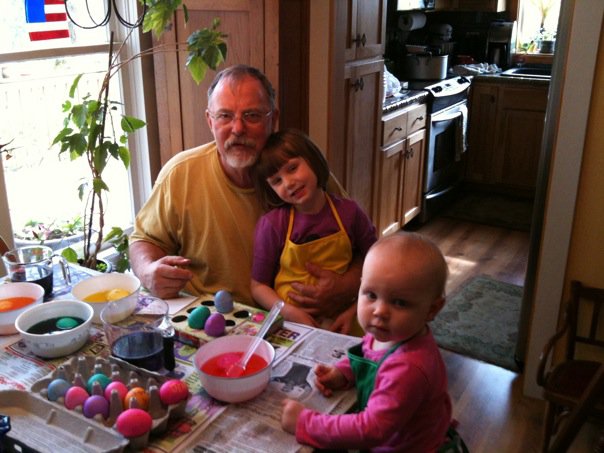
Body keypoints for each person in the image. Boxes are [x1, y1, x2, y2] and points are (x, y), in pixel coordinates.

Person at [129, 65, 361, 319]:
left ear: (273, 119)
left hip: (297, 323)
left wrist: (345, 286)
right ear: (210, 121)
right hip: (213, 321)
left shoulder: (306, 176)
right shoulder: (180, 174)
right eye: (225, 116)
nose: (238, 128)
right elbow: (145, 240)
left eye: (252, 115)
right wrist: (148, 271)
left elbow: (364, 247)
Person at [280, 232, 460, 452]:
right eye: (371, 295)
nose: (379, 311)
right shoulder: (390, 333)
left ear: (432, 309)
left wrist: (305, 423)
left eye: (399, 302)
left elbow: (371, 429)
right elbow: (368, 352)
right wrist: (343, 373)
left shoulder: (409, 368)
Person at [250, 128, 377, 332]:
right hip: (292, 326)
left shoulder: (350, 213)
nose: (288, 183)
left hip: (345, 321)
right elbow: (258, 287)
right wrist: (290, 312)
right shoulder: (272, 224)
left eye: (292, 168)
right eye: (277, 181)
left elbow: (377, 267)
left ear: (313, 159)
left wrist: (353, 311)